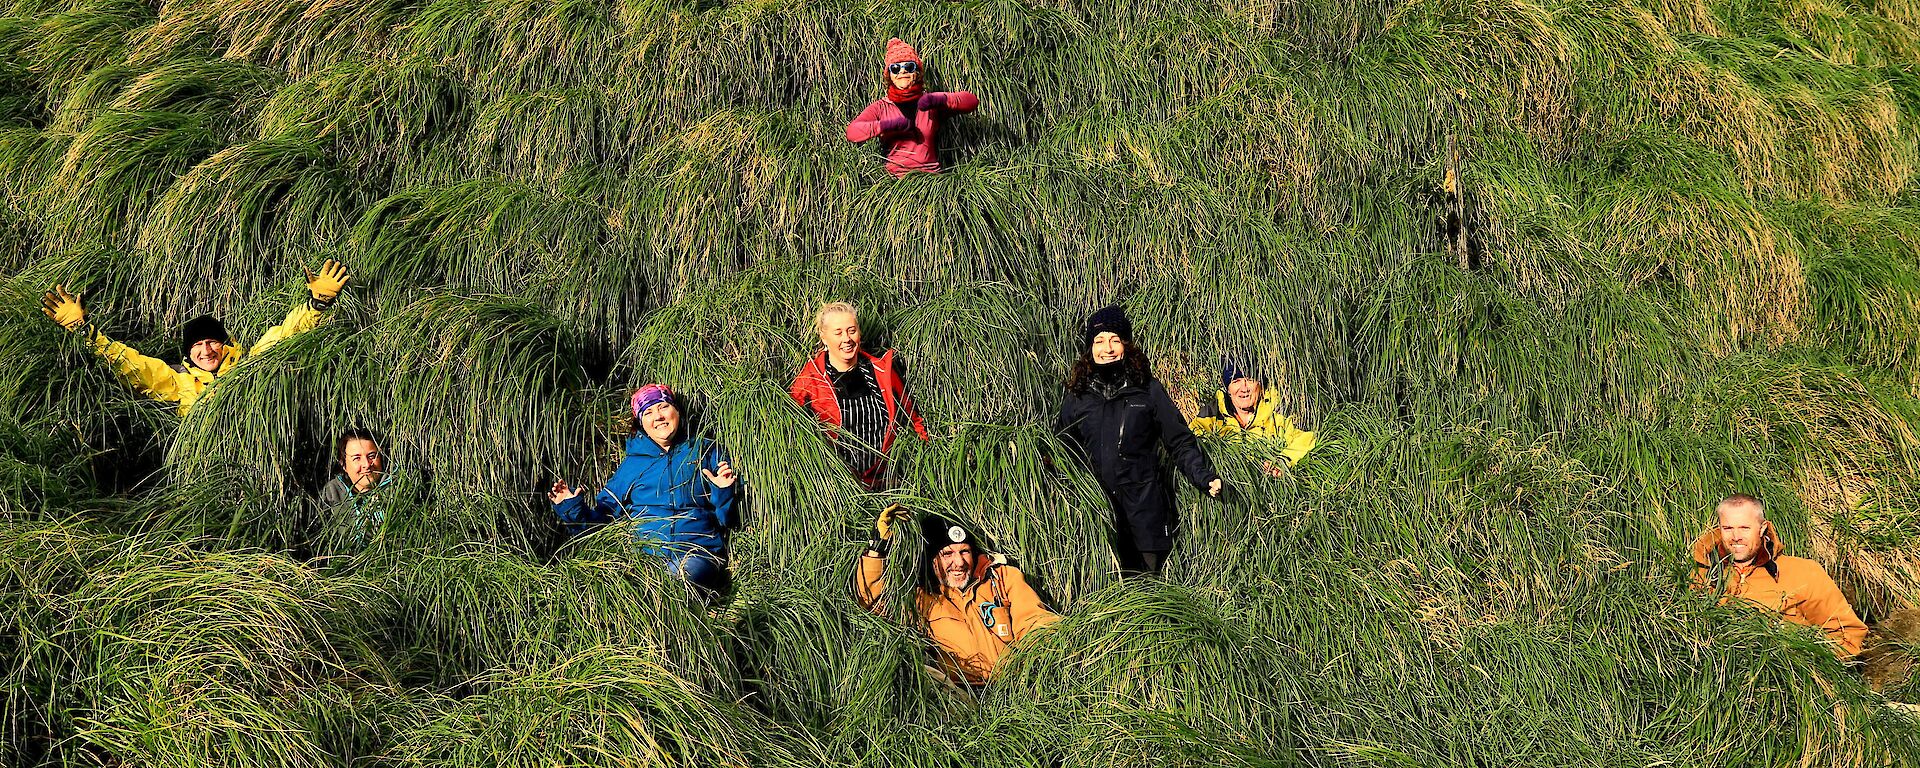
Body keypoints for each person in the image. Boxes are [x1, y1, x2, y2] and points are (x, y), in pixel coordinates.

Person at [39, 259, 352, 414]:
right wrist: (86, 332)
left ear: (224, 343)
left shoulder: (249, 363)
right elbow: (131, 364)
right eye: (197, 345)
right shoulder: (178, 381)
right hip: (207, 463)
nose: (206, 350)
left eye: (211, 341)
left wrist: (317, 305)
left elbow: (286, 333)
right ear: (188, 353)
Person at [1055, 306, 1222, 577]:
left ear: (1126, 345)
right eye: (1099, 341)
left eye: (1114, 340)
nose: (1107, 348)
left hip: (1145, 513)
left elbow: (1179, 441)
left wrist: (1204, 477)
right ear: (1089, 348)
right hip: (1098, 515)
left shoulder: (1148, 390)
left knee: (1146, 595)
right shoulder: (1078, 396)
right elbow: (1063, 449)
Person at [548, 385, 738, 598]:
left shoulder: (706, 450)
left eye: (664, 407)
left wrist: (724, 491)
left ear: (677, 412)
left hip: (697, 555)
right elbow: (599, 526)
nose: (658, 417)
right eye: (648, 412)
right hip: (645, 562)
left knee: (675, 582)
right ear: (641, 424)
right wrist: (571, 507)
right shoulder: (631, 467)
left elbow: (728, 521)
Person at [855, 504, 1058, 687]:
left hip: (1015, 686)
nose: (959, 562)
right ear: (933, 559)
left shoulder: (1002, 578)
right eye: (947, 554)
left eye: (965, 551)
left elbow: (1035, 620)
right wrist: (877, 548)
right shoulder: (921, 598)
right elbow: (871, 602)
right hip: (960, 697)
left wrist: (1034, 668)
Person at [1691, 494, 1867, 658]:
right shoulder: (1701, 573)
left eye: (1745, 528)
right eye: (1728, 528)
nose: (1736, 537)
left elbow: (1849, 638)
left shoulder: (1804, 573)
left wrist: (1791, 654)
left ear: (1762, 529)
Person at [789, 302, 929, 489]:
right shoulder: (810, 379)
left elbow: (912, 416)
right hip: (839, 485)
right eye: (838, 333)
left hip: (887, 479)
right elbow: (790, 427)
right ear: (824, 337)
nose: (847, 339)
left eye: (851, 330)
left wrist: (926, 454)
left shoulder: (882, 371)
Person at [844, 38, 980, 176]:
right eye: (895, 68)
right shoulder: (881, 107)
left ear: (917, 72)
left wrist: (940, 99)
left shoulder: (930, 102)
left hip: (932, 179)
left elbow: (972, 101)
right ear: (889, 76)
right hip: (896, 182)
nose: (902, 72)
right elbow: (852, 132)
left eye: (909, 67)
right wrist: (886, 126)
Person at [1189, 355, 1316, 476]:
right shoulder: (1212, 414)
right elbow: (1188, 443)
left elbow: (1307, 437)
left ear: (1260, 384)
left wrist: (1282, 461)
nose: (1244, 388)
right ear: (1228, 388)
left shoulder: (1277, 408)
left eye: (1250, 379)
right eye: (1236, 381)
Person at [317, 428, 396, 544]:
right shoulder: (332, 493)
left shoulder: (397, 490)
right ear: (344, 464)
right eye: (357, 458)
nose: (366, 465)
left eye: (372, 456)